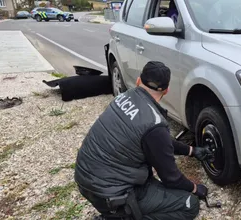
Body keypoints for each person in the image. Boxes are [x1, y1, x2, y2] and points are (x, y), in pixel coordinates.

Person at [74, 61, 214, 220]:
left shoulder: (125, 97)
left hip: (85, 177)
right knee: (190, 205)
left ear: (139, 80)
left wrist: (192, 151)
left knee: (151, 183)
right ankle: (120, 216)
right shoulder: (154, 125)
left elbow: (157, 141)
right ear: (166, 90)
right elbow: (172, 178)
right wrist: (195, 189)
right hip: (111, 194)